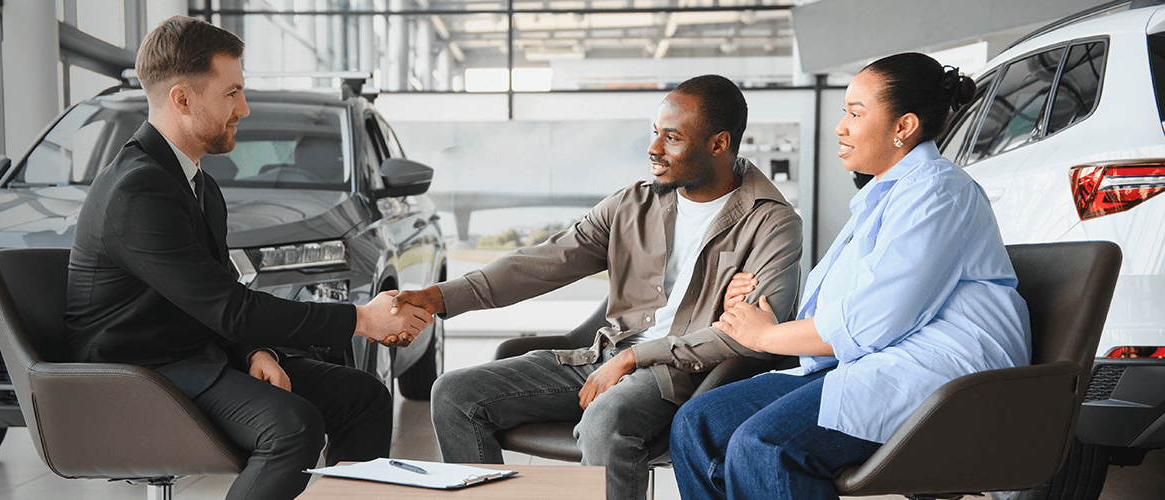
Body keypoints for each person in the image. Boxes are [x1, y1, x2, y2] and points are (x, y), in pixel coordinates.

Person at [63, 17, 431, 500]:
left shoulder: (197, 185)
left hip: (191, 357)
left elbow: (215, 300)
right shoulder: (138, 191)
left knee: (363, 398)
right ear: (182, 99)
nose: (244, 107)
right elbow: (229, 308)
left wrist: (255, 351)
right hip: (136, 377)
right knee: (292, 425)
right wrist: (361, 318)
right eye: (232, 92)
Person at [397, 74, 803, 500]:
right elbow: (543, 263)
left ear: (719, 144)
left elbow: (752, 338)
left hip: (683, 373)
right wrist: (438, 297)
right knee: (454, 393)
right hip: (603, 355)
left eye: (672, 137)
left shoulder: (772, 223)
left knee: (605, 419)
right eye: (654, 133)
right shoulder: (633, 203)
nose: (653, 148)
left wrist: (635, 357)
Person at [669, 52, 1029, 500]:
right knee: (696, 424)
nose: (841, 126)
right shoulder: (884, 195)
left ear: (904, 127)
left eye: (855, 113)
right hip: (875, 362)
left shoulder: (939, 191)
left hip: (940, 376)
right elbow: (839, 307)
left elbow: (875, 318)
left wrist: (766, 338)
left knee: (766, 446)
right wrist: (751, 303)